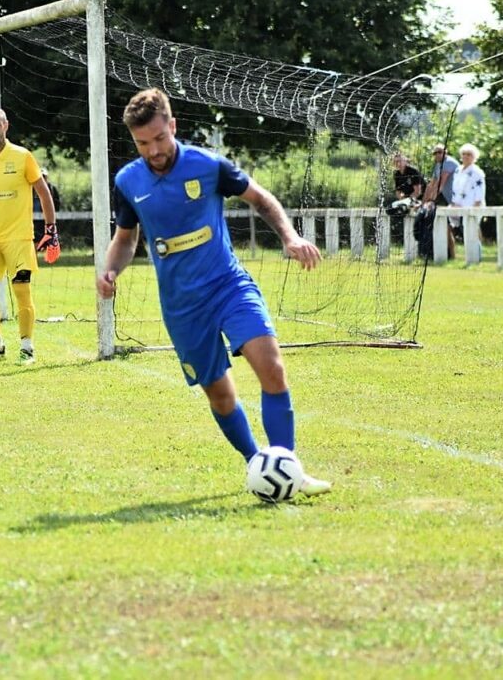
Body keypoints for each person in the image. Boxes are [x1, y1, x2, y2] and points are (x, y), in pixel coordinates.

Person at [97, 87, 331, 498]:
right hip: (183, 307)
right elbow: (126, 238)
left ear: (173, 126)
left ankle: (288, 468)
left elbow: (261, 198)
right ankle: (259, 466)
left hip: (228, 285)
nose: (153, 150)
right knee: (221, 396)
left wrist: (290, 237)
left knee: (272, 368)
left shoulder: (207, 165)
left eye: (159, 138)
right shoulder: (128, 182)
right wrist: (110, 270)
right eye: (142, 143)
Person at [0, 107, 59, 364]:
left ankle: (27, 348)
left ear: (6, 125)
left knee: (22, 292)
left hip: (19, 239)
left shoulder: (23, 156)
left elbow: (43, 193)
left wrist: (50, 230)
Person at [423, 143, 460, 259]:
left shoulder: (449, 163)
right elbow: (431, 184)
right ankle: (453, 256)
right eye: (435, 153)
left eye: (440, 152)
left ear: (446, 152)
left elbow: (440, 185)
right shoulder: (437, 166)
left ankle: (477, 256)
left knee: (472, 226)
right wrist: (423, 202)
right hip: (452, 202)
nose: (438, 155)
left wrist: (431, 200)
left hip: (461, 201)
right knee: (448, 228)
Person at [451, 143, 486, 249]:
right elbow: (455, 188)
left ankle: (477, 253)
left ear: (474, 157)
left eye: (469, 154)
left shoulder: (477, 172)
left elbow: (480, 190)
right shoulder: (458, 170)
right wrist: (454, 203)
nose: (466, 156)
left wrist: (476, 205)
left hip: (472, 204)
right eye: (464, 154)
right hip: (458, 205)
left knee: (472, 229)